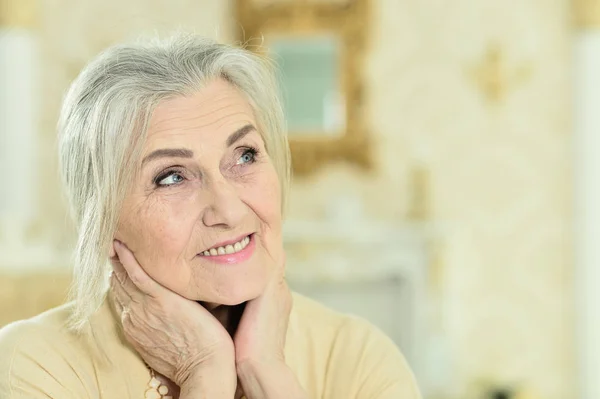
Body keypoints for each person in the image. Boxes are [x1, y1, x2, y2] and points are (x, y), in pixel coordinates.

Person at [0, 34, 421, 399]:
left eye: (245, 155)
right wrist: (205, 373)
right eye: (171, 178)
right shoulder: (31, 367)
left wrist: (267, 372)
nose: (230, 209)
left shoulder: (358, 356)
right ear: (102, 221)